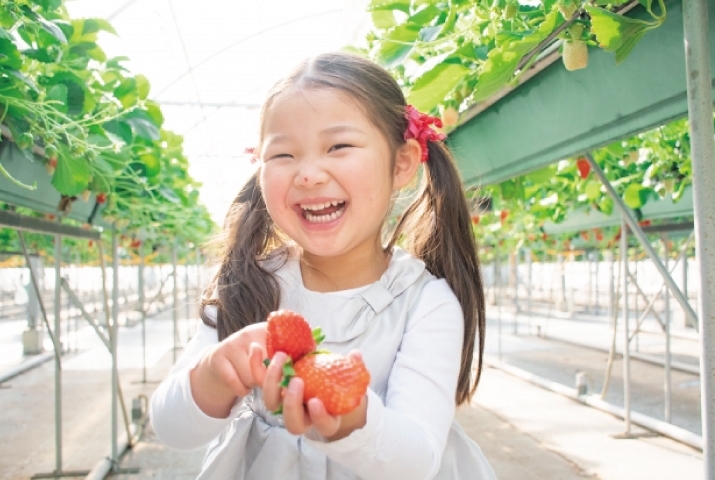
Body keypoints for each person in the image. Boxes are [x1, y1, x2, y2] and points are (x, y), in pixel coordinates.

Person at [151, 51, 496, 480]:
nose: (309, 174)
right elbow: (170, 427)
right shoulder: (248, 283)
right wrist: (214, 374)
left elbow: (417, 460)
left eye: (339, 146)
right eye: (283, 155)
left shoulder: (426, 303)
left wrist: (351, 416)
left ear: (402, 162)